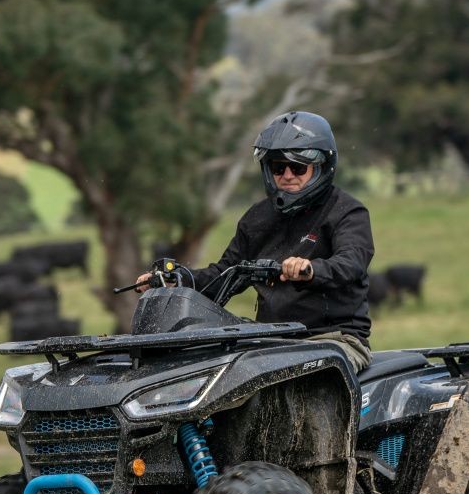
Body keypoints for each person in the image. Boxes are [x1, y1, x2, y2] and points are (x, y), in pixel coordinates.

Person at [137, 110, 375, 373]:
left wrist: (310, 270)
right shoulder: (257, 218)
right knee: (209, 370)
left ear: (321, 168)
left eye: (298, 167)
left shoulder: (347, 212)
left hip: (333, 340)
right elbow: (223, 273)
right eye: (278, 167)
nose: (287, 175)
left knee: (298, 375)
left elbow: (351, 263)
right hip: (270, 340)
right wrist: (176, 281)